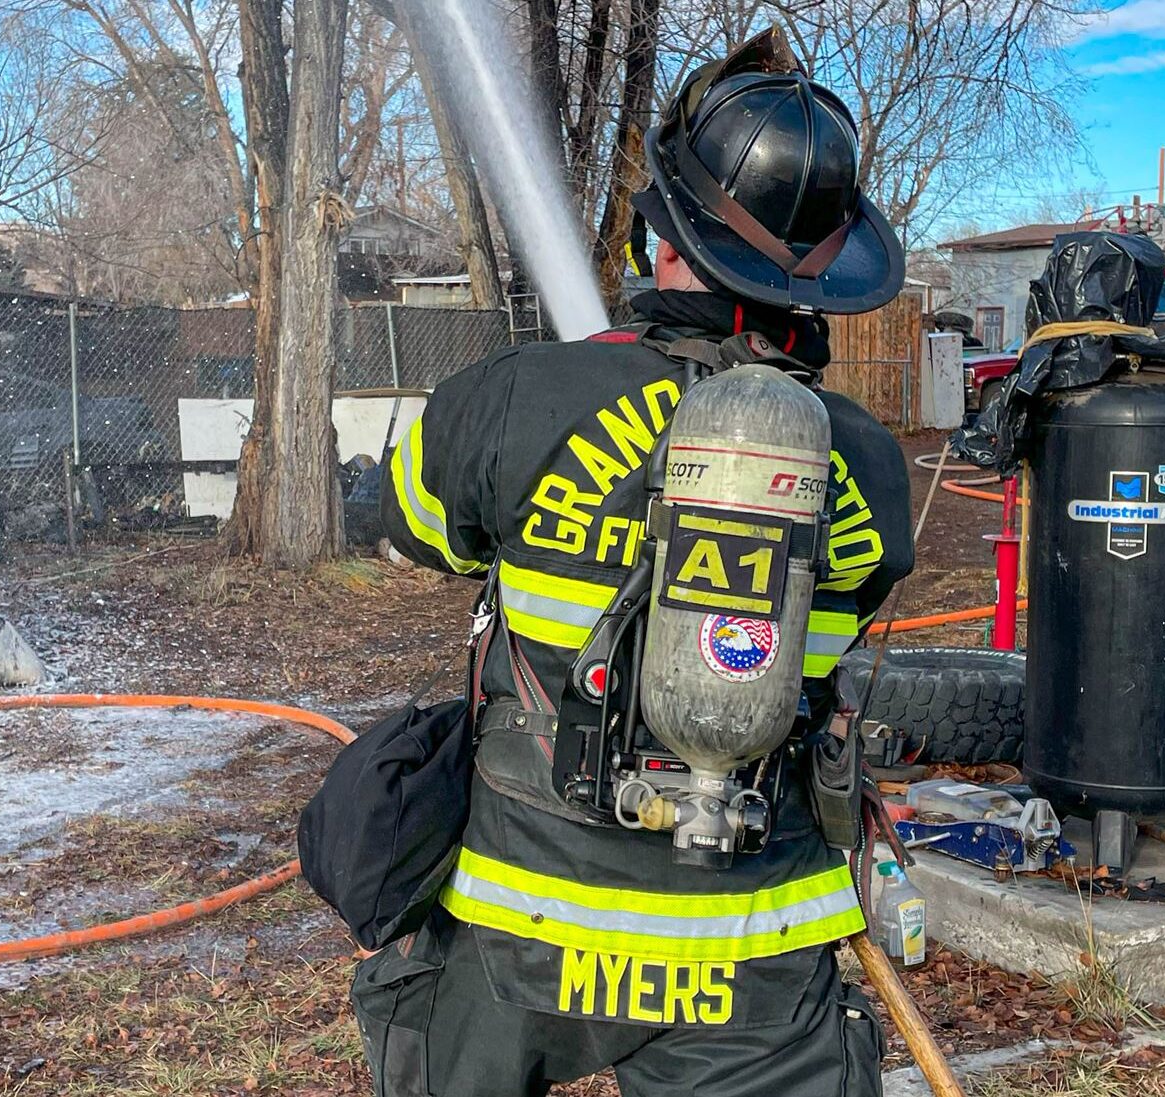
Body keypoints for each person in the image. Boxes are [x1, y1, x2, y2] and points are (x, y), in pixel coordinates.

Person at [361, 29, 914, 1097]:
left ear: (669, 248)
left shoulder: (518, 397)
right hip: (754, 943)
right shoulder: (871, 466)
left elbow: (410, 522)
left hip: (523, 925)